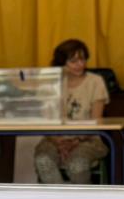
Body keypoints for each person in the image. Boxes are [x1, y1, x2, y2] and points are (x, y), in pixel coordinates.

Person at [34, 39, 111, 184]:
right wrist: (59, 142)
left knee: (77, 164)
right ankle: (59, 197)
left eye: (83, 59)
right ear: (61, 63)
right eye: (73, 61)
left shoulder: (95, 81)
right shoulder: (50, 83)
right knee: (43, 161)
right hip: (54, 139)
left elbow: (96, 122)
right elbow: (46, 121)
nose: (80, 65)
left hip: (88, 139)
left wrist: (75, 141)